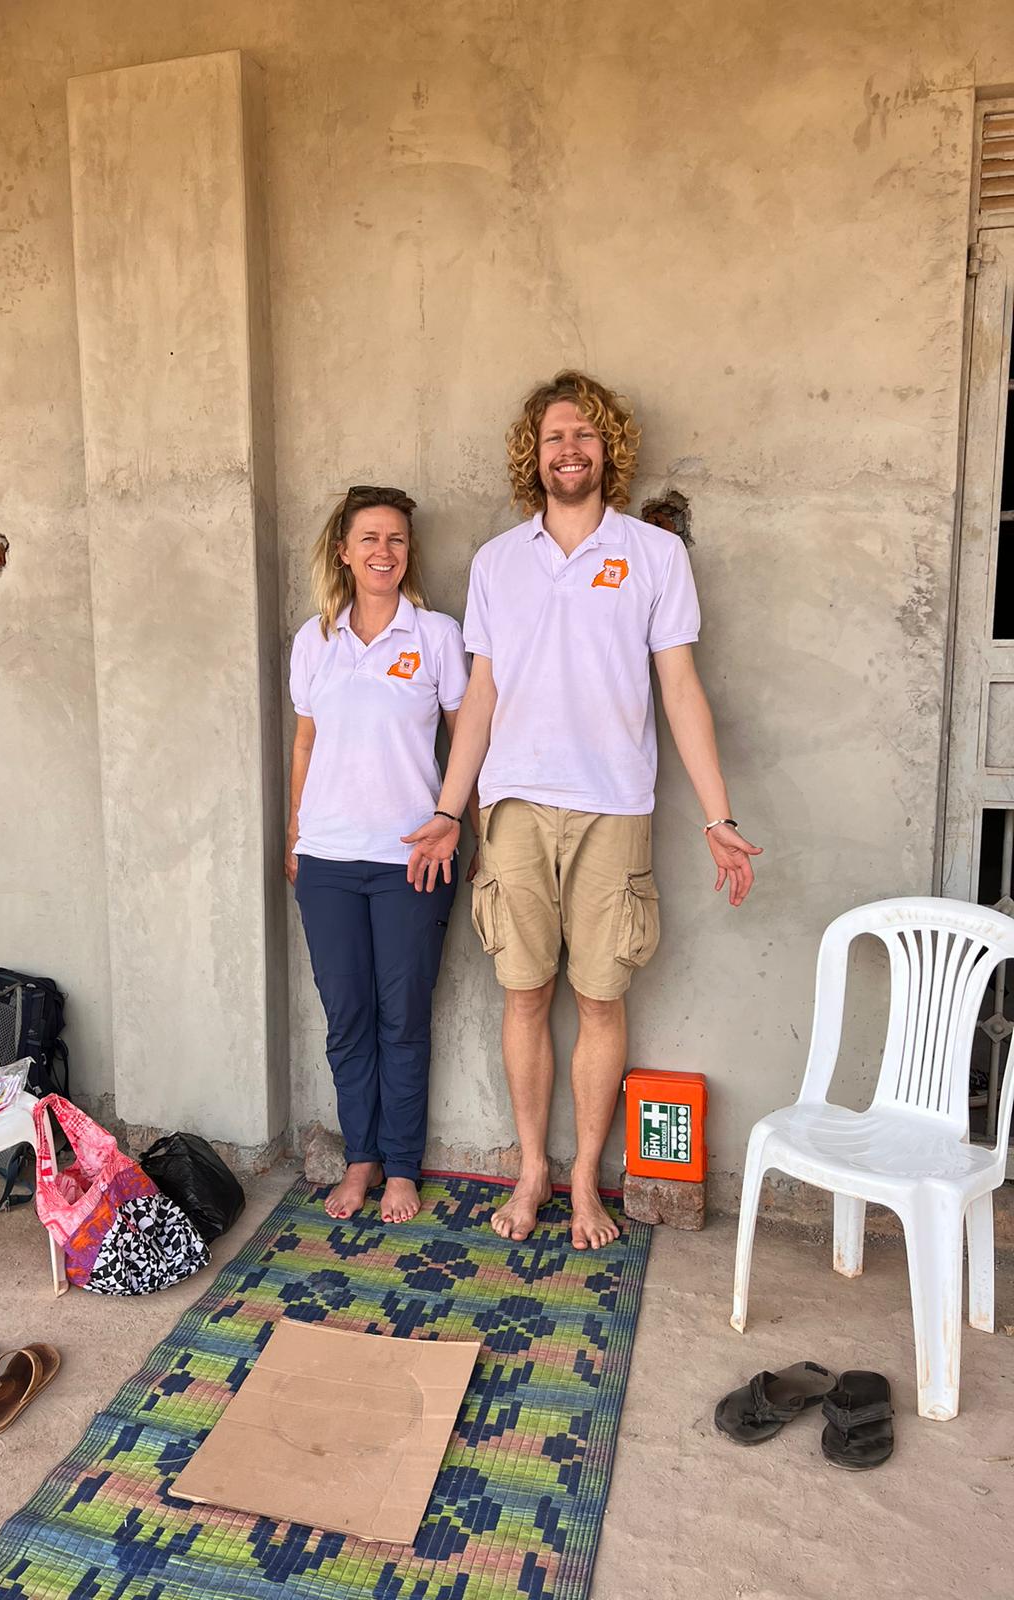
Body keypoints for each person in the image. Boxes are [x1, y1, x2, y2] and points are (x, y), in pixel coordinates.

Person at [404, 371, 761, 1249]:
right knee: (523, 994)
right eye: (555, 437)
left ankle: (584, 1179)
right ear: (535, 454)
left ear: (610, 451)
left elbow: (679, 688)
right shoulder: (496, 561)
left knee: (601, 999)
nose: (570, 450)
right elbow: (479, 697)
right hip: (515, 809)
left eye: (586, 436)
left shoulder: (653, 555)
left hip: (613, 809)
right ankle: (530, 1169)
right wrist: (453, 808)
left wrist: (717, 816)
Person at [287, 485, 474, 1224]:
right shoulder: (315, 640)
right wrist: (295, 836)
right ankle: (360, 1159)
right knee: (348, 1019)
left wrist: (458, 822)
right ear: (343, 550)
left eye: (396, 539)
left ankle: (401, 1166)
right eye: (369, 538)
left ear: (408, 553)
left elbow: (466, 738)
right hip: (327, 862)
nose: (383, 552)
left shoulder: (435, 636)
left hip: (411, 861)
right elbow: (304, 744)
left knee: (403, 1018)